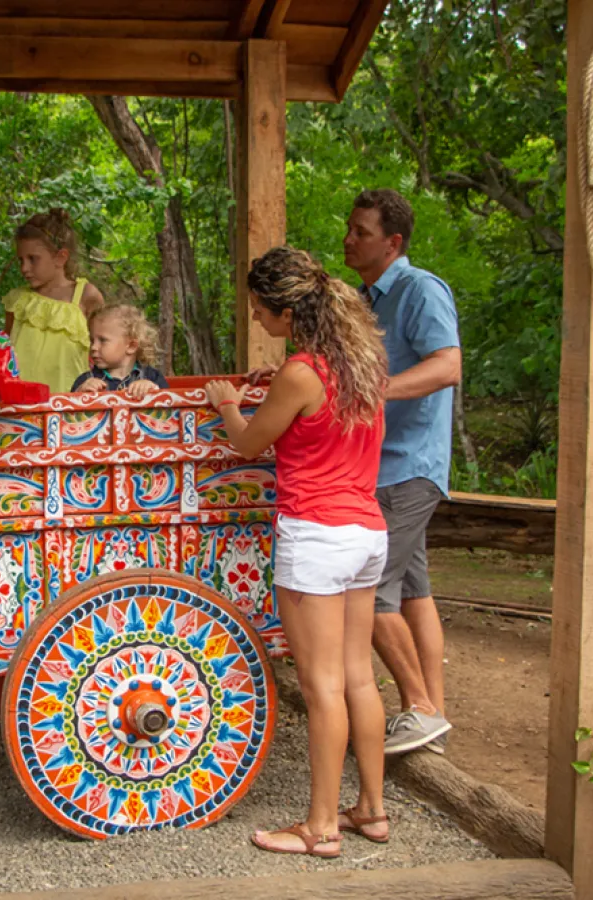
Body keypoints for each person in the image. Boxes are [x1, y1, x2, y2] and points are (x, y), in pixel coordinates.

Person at [206, 246, 390, 858]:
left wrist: (227, 402)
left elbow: (249, 444)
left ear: (286, 309)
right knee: (359, 678)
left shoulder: (301, 372)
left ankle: (319, 828)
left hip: (316, 535)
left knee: (320, 687)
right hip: (366, 531)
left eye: (260, 309)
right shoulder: (359, 361)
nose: (257, 320)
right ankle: (370, 808)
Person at [344, 189, 461, 756]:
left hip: (407, 465)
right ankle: (431, 720)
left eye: (361, 232)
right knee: (414, 591)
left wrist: (374, 391)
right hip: (380, 465)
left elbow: (447, 365)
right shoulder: (366, 299)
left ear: (393, 242)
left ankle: (416, 706)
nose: (349, 239)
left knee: (365, 591)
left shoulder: (419, 290)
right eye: (350, 229)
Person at [3, 209, 105, 393]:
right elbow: (3, 356)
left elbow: (107, 352)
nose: (24, 268)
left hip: (70, 407)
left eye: (33, 259)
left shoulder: (87, 296)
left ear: (60, 257)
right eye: (21, 260)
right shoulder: (17, 301)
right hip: (20, 409)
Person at [71, 305, 168, 397]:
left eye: (102, 340)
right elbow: (68, 409)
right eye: (92, 341)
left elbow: (169, 405)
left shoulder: (152, 376)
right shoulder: (86, 379)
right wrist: (80, 393)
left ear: (131, 346)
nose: (93, 347)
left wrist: (153, 390)